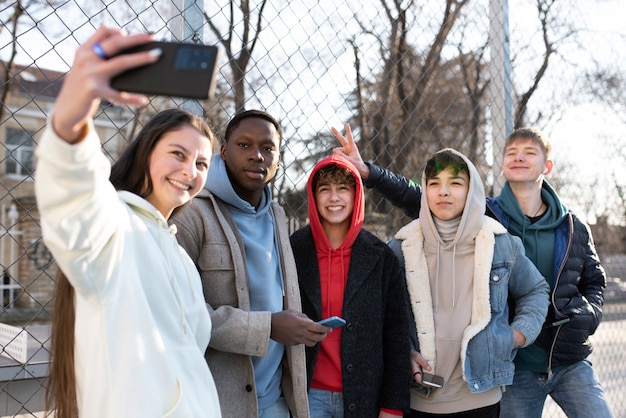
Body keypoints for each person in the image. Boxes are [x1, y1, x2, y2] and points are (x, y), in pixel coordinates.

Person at [333, 125, 612, 418]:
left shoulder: (571, 226)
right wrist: (369, 173)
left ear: (548, 165)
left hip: (565, 356)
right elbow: (419, 196)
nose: (519, 158)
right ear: (502, 165)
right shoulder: (486, 216)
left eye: (530, 153)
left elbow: (592, 280)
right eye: (511, 153)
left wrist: (585, 317)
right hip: (514, 367)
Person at [37, 26, 221, 418]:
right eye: (178, 153)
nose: (190, 171)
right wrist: (70, 122)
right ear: (146, 153)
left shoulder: (179, 255)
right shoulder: (115, 227)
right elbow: (76, 198)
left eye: (201, 163)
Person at [170, 109, 330, 418]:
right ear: (225, 151)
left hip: (275, 398)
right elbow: (180, 314)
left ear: (278, 159)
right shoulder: (192, 215)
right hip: (216, 402)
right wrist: (268, 327)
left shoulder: (278, 216)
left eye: (268, 148)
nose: (257, 155)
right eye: (244, 145)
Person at [387, 148, 549, 417]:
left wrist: (517, 334)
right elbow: (385, 318)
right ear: (425, 190)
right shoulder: (401, 248)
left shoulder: (499, 243)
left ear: (471, 189)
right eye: (434, 183)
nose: (444, 192)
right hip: (419, 397)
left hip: (480, 397)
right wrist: (405, 351)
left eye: (455, 183)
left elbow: (535, 289)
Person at [289, 155, 411, 418]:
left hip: (365, 395)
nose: (334, 197)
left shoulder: (381, 257)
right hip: (309, 395)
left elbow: (397, 336)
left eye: (343, 188)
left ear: (356, 195)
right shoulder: (293, 250)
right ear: (313, 195)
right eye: (325, 189)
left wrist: (393, 406)